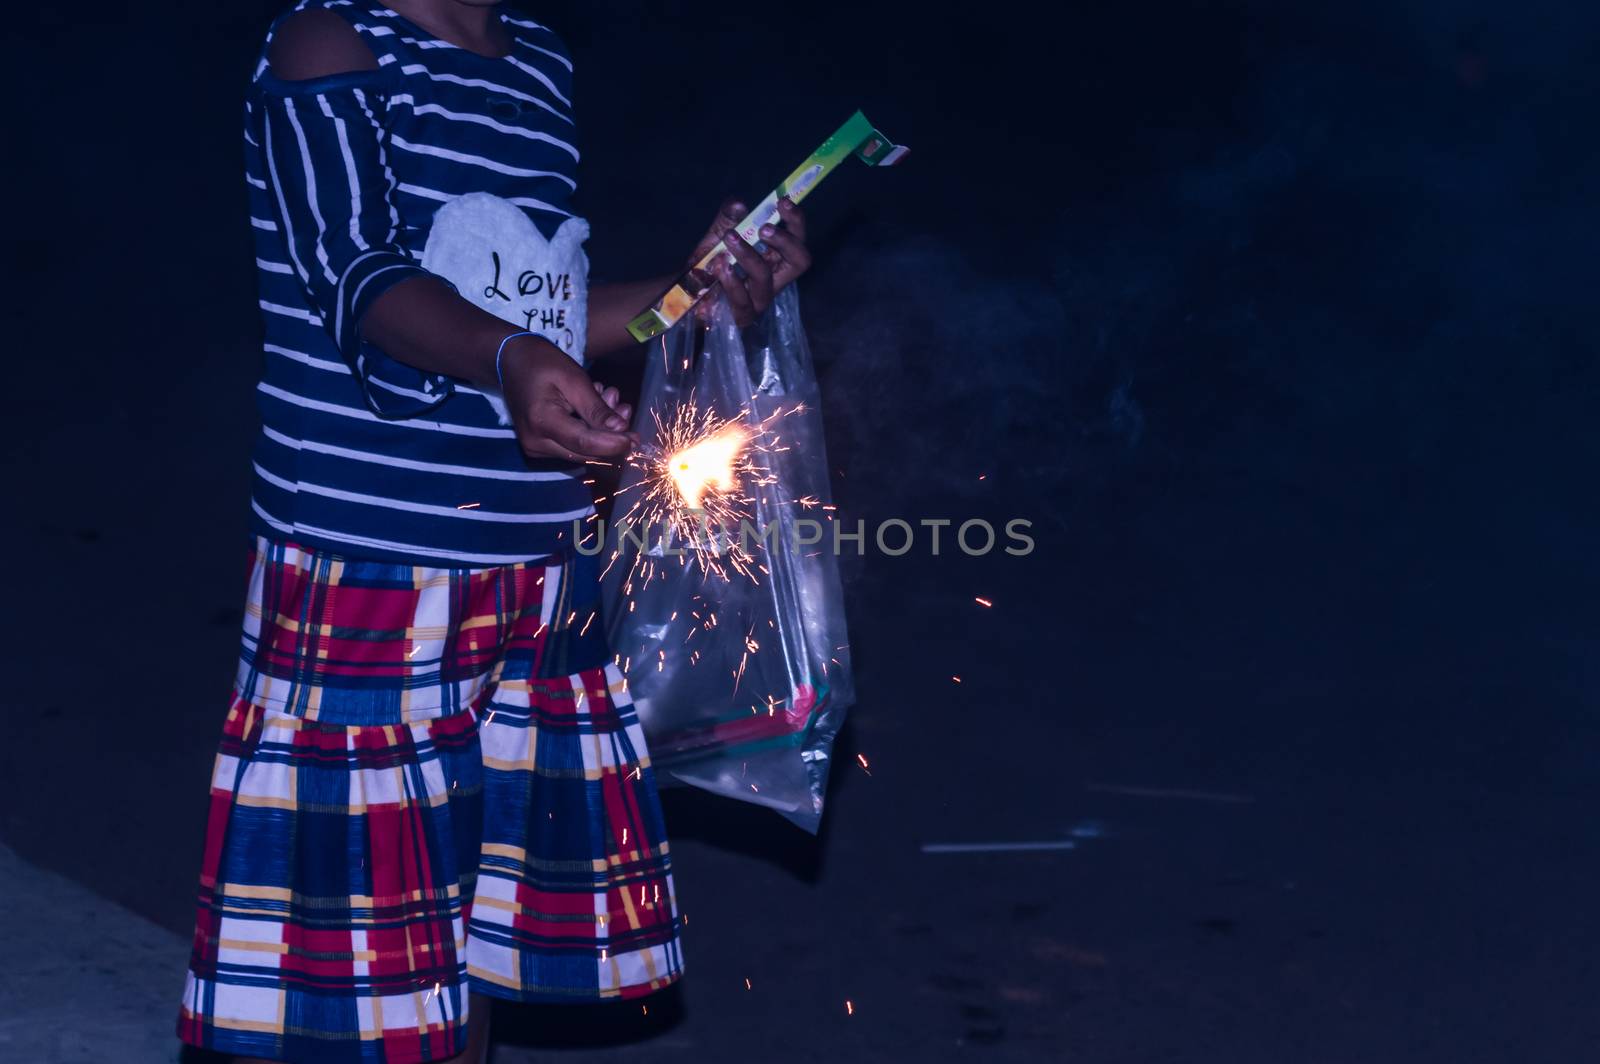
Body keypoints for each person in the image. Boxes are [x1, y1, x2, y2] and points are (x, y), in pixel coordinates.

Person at [174, 2, 812, 1061]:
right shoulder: (329, 41)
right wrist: (513, 360)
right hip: (370, 564)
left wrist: (693, 290)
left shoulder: (536, 60)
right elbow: (359, 275)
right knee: (356, 980)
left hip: (533, 570)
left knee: (463, 945)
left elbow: (543, 309)